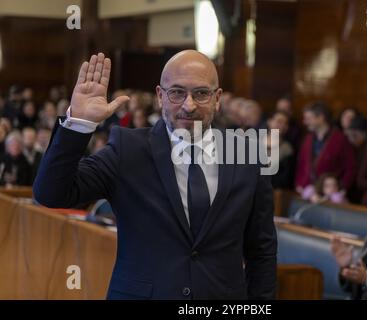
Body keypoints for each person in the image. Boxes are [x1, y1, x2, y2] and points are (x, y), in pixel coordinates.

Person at [33, 51, 277, 300]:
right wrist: (80, 124)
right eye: (177, 92)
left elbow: (261, 250)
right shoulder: (127, 150)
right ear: (160, 96)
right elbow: (51, 194)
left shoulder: (247, 155)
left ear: (217, 98)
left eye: (201, 93)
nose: (188, 105)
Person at [295, 102, 356, 194]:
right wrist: (299, 184)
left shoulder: (340, 139)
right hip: (307, 192)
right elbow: (301, 164)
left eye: (309, 118)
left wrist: (342, 187)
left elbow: (350, 167)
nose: (305, 122)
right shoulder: (307, 138)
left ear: (321, 118)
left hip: (330, 194)